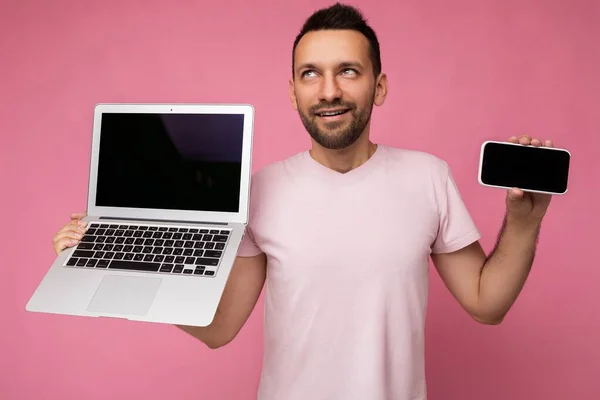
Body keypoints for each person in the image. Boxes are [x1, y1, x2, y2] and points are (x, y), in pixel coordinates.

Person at [51, 3, 555, 399]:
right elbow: (219, 327)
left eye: (349, 71)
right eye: (310, 73)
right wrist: (121, 265)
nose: (328, 90)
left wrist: (524, 221)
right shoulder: (260, 190)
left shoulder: (428, 176)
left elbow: (487, 305)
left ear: (378, 87)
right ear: (292, 92)